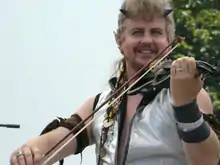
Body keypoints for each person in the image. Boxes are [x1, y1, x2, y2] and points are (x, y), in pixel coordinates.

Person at [10, 0, 220, 165]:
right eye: (137, 32)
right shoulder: (100, 104)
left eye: (156, 32)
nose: (147, 40)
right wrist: (30, 150)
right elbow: (55, 141)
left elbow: (207, 160)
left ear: (169, 39)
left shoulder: (188, 95)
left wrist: (185, 107)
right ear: (119, 40)